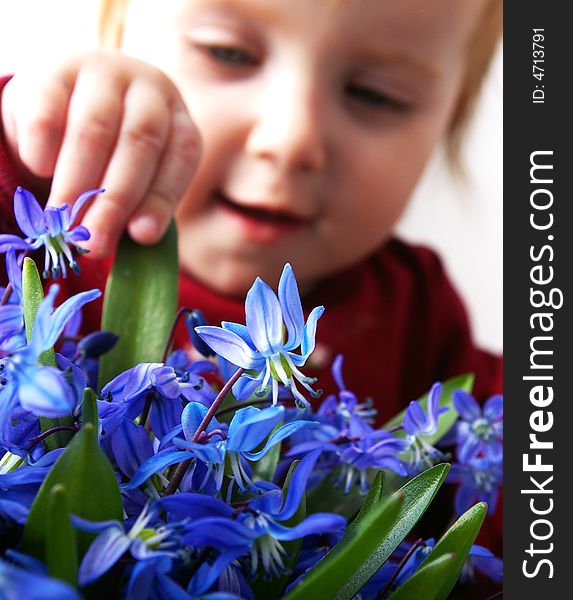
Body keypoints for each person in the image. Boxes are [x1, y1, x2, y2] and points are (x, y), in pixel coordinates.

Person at [0, 0, 502, 570]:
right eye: (227, 52)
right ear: (116, 41)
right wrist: (22, 154)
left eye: (375, 94)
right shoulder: (47, 254)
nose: (290, 141)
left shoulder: (416, 307)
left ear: (450, 122)